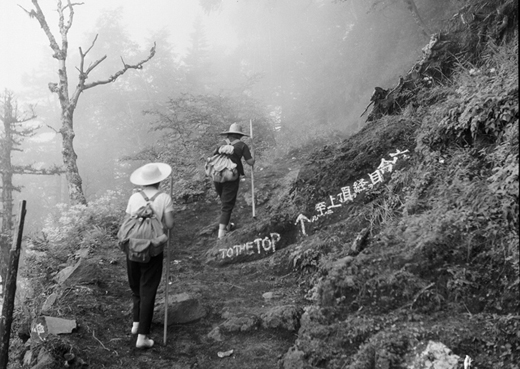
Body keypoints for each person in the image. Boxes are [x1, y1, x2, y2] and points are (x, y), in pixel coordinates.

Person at [124, 163, 174, 349]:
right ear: (160, 180)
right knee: (148, 289)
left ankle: (136, 324)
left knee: (136, 286)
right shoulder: (164, 198)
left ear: (142, 182)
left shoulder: (134, 197)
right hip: (152, 249)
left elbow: (127, 221)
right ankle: (142, 337)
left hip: (132, 247)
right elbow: (169, 224)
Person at [213, 123, 255, 239]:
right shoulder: (242, 145)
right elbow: (250, 162)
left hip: (217, 176)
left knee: (224, 201)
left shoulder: (221, 145)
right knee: (227, 205)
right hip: (231, 177)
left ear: (229, 134)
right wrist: (252, 155)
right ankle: (221, 235)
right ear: (239, 135)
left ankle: (226, 225)